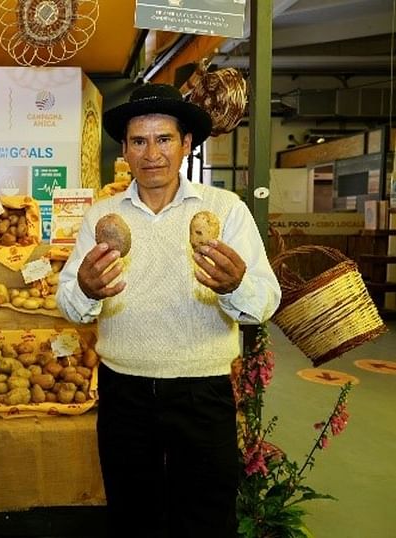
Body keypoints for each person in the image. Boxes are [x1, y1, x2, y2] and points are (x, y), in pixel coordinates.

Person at [56, 84, 281, 538]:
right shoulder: (101, 216)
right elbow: (70, 304)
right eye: (139, 141)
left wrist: (234, 285)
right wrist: (84, 287)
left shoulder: (224, 210)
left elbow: (264, 302)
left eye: (164, 140)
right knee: (132, 516)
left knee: (205, 518)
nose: (152, 153)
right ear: (125, 150)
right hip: (124, 393)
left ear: (186, 145)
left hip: (202, 392)